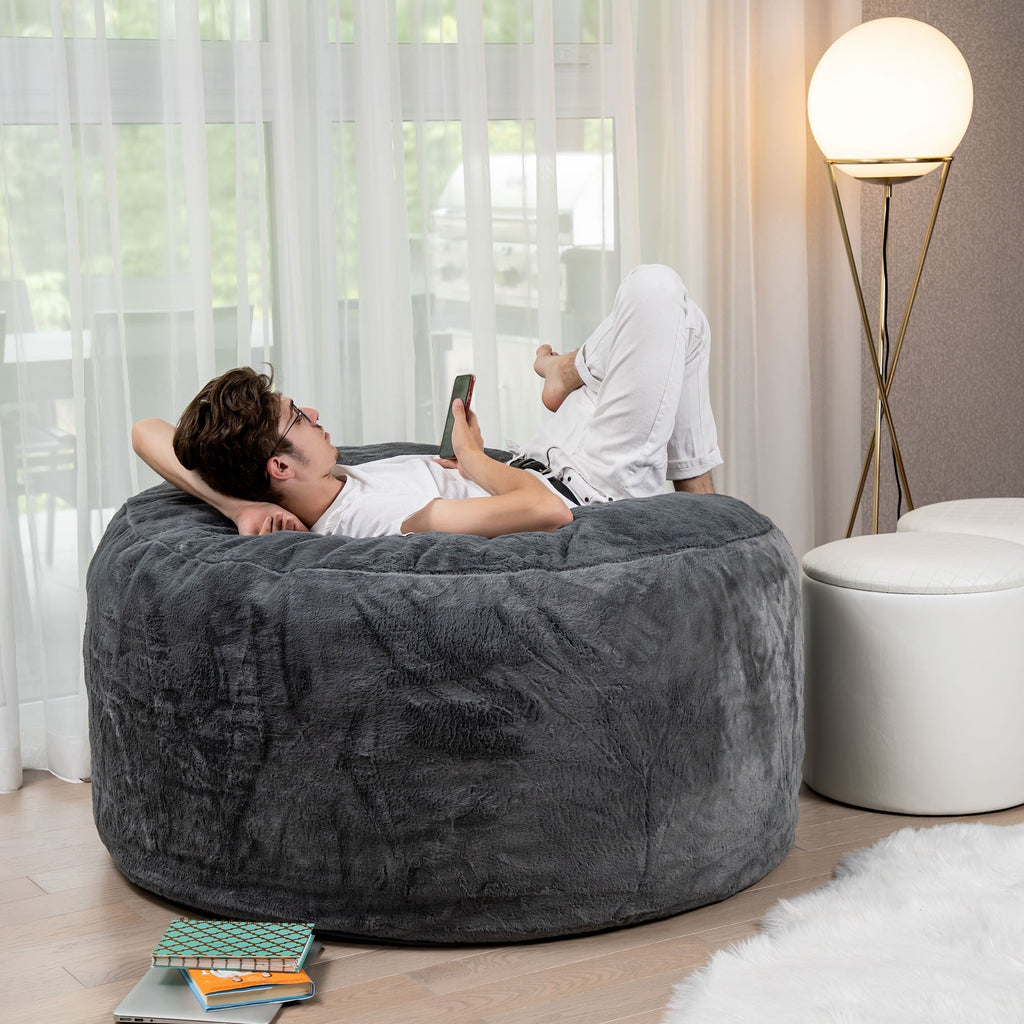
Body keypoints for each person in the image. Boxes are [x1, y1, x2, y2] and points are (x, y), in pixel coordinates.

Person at [132, 264, 722, 539]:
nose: (312, 413)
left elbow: (145, 430)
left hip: (551, 455)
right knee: (656, 291)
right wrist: (475, 461)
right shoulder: (376, 521)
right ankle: (569, 372)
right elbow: (548, 512)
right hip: (594, 490)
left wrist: (238, 506)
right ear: (280, 467)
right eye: (297, 418)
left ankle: (704, 512)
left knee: (684, 323)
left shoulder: (322, 484)